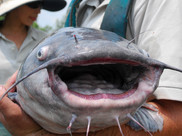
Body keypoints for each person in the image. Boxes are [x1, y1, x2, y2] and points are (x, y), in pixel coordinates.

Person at [1, 0, 182, 136]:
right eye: (34, 4)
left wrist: (41, 132)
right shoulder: (79, 7)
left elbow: (177, 117)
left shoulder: (160, 3)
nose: (39, 10)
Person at [0, 0, 66, 135]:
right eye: (34, 4)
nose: (39, 11)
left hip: (37, 124)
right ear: (14, 7)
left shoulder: (46, 42)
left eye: (41, 6)